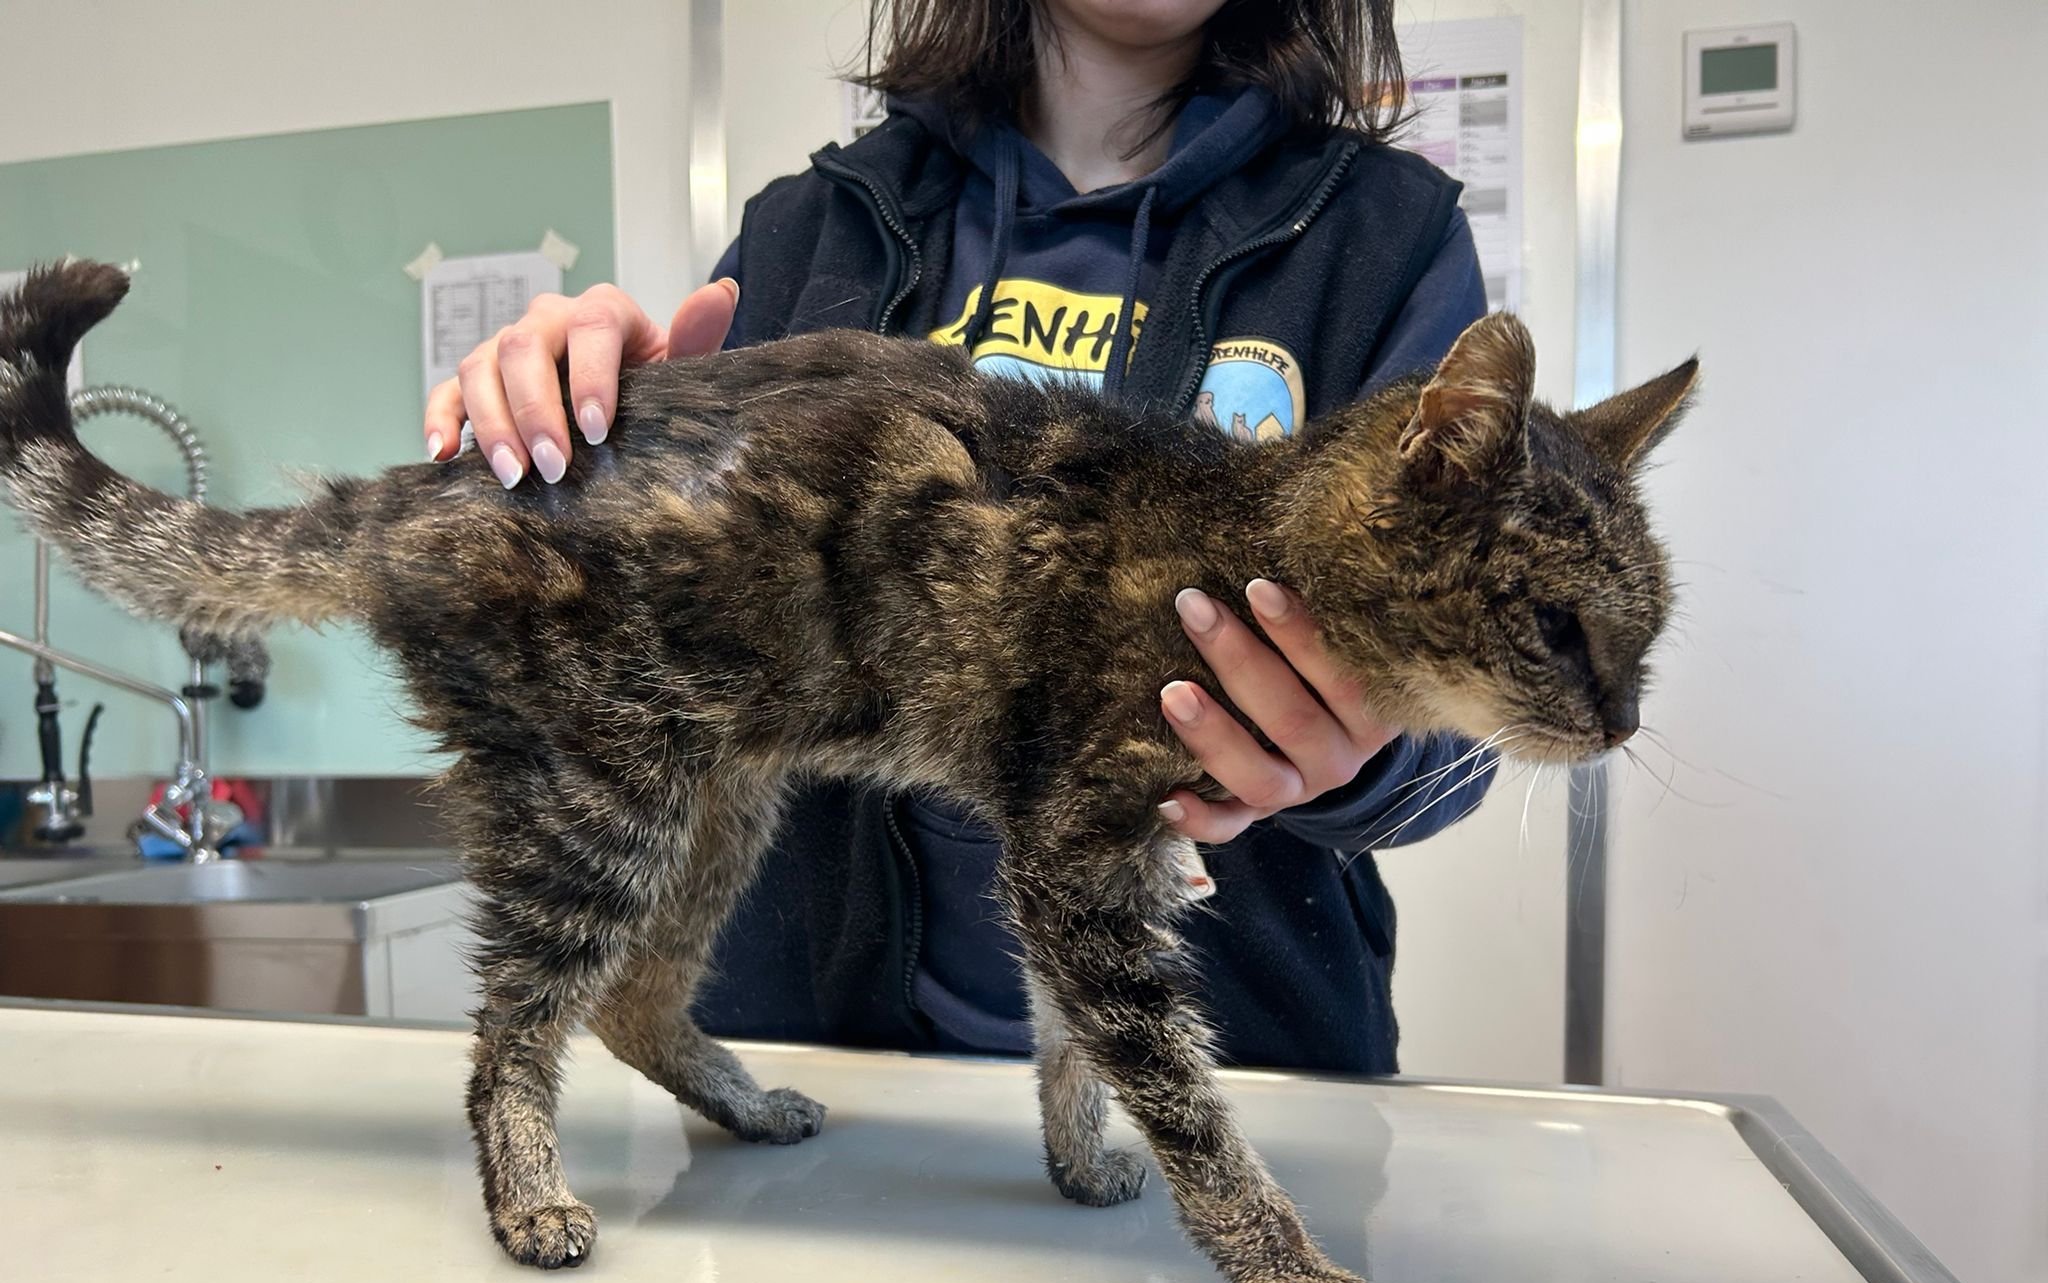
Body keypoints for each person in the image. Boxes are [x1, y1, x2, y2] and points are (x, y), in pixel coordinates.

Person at [424, 0, 1495, 1075]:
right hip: (821, 1075)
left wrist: (1353, 757)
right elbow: (685, 645)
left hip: (1236, 1078)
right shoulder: (813, 226)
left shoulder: (1381, 233)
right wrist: (603, 445)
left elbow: (1464, 734)